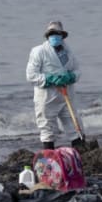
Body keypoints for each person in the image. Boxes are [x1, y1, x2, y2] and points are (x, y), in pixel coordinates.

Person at [25, 20, 85, 150]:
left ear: (62, 36)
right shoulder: (38, 51)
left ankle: (80, 158)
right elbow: (31, 75)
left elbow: (77, 70)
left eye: (57, 33)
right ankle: (49, 159)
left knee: (75, 126)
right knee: (47, 130)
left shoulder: (68, 52)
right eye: (52, 34)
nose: (55, 36)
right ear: (47, 36)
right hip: (47, 98)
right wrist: (50, 79)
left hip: (66, 96)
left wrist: (71, 77)